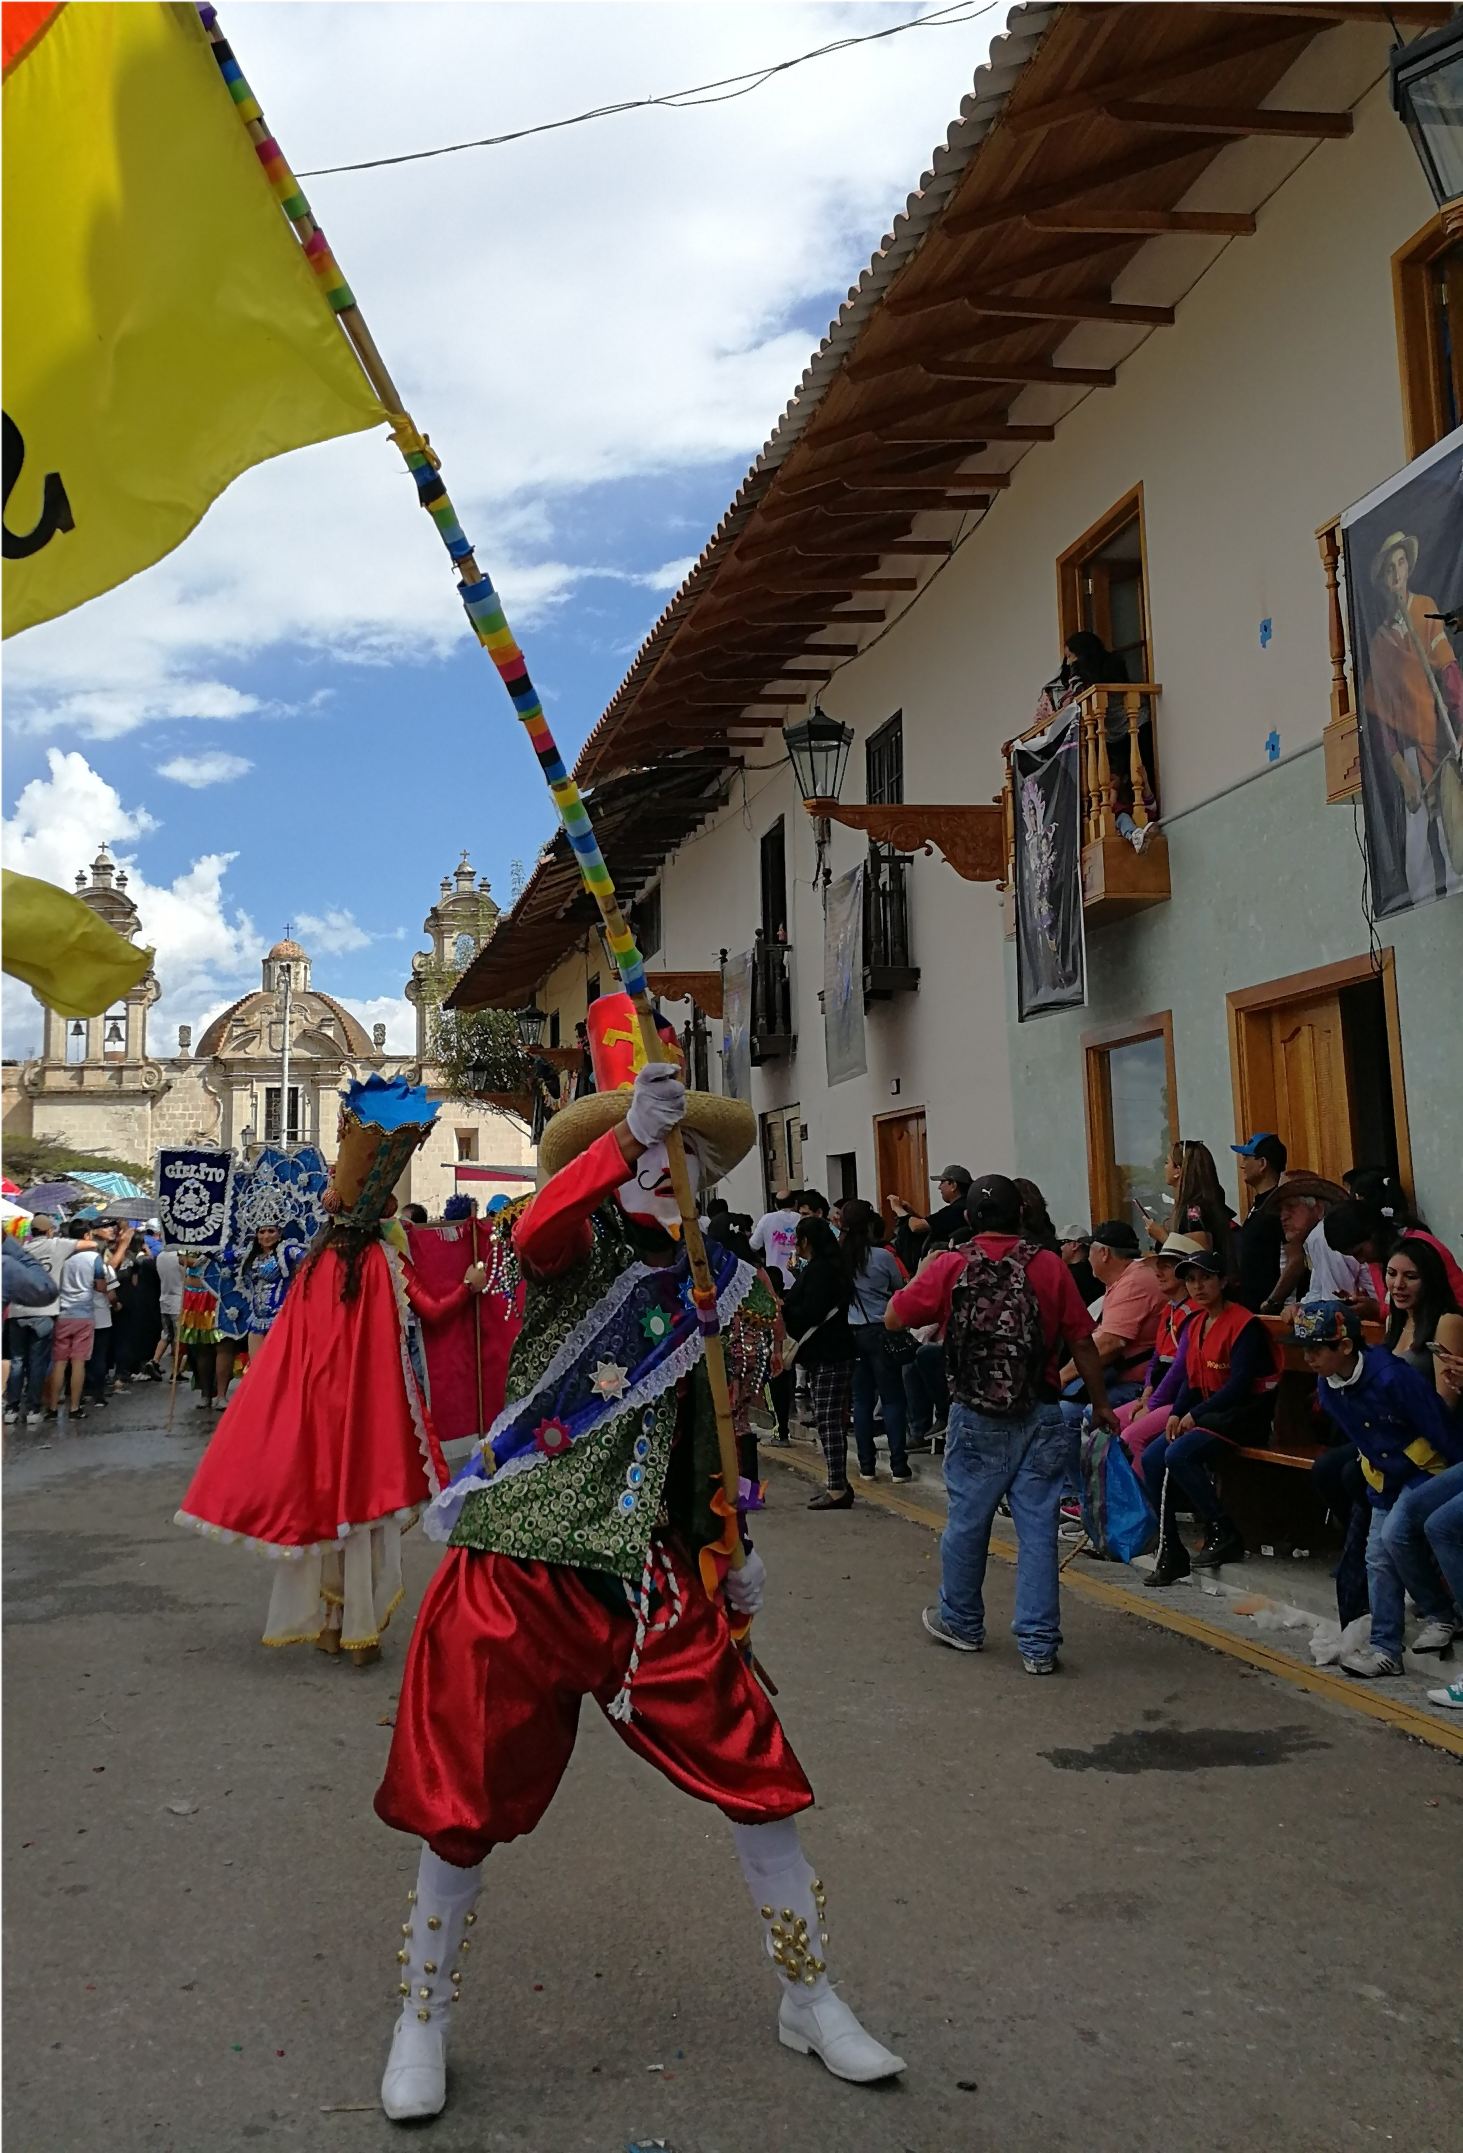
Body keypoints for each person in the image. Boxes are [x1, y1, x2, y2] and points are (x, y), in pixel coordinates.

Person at [372, 996, 904, 2122]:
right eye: (654, 1148)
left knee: (759, 1775)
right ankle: (421, 2013)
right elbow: (530, 1236)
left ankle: (807, 1995)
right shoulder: (577, 1251)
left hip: (650, 1581)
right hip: (515, 1561)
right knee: (460, 1804)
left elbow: (723, 1444)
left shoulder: (731, 1292)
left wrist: (733, 1546)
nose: (671, 1166)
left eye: (686, 1152)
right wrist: (616, 1139)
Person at [176, 1075, 488, 1662]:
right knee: (363, 1518)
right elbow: (434, 1309)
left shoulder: (314, 1267)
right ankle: (358, 1630)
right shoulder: (383, 1260)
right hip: (371, 1415)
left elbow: (292, 1347)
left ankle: (330, 1621)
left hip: (320, 1411)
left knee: (325, 1513)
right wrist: (470, 1287)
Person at [887, 1172, 1116, 1674]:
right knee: (1037, 1527)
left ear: (969, 1219)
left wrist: (926, 1271)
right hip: (1042, 1410)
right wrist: (1099, 1403)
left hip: (973, 1414)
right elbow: (1082, 1341)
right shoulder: (1051, 1266)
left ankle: (962, 1622)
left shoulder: (952, 1264)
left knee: (968, 1522)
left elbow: (893, 1317)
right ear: (1020, 1216)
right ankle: (1038, 1644)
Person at [1291, 1301, 1463, 1677]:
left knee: (1396, 1534)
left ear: (1346, 1347)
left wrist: (1454, 1478)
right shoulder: (1328, 1385)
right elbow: (1361, 1439)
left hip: (1427, 1469)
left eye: (1317, 1348)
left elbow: (1439, 1427)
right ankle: (1386, 1649)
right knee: (1376, 1556)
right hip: (1383, 1476)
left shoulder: (1391, 1377)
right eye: (1305, 1348)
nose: (1309, 1358)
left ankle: (1441, 1613)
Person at [1142, 1249, 1284, 1584]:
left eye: (1206, 1278)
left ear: (1223, 1280)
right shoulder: (1195, 1323)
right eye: (1190, 1279)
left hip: (1242, 1416)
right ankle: (1170, 1548)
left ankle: (1222, 1529)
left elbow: (1239, 1385)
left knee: (1179, 1454)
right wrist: (1177, 1413)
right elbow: (1192, 1380)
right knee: (1151, 1458)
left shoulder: (1243, 1324)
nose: (1197, 1286)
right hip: (1209, 1414)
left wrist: (1195, 1414)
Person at [1362, 529, 1463, 908]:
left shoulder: (1426, 609)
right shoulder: (1379, 644)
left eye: (1400, 564)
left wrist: (1460, 731)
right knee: (1418, 847)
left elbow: (1450, 678)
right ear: (1383, 581)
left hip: (1443, 741)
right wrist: (1404, 779)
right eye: (1388, 569)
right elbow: (1381, 723)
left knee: (1454, 834)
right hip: (1409, 752)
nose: (1395, 574)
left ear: (1408, 568)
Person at [1059, 1219, 1166, 1428]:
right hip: (1122, 1380)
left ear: (1104, 1254)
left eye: (1090, 1250)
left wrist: (1061, 1377)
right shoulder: (1129, 1278)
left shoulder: (1134, 1283)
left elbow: (1109, 1344)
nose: (1088, 1258)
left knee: (1064, 1414)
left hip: (1138, 1385)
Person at [782, 1216, 858, 1509]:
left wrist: (785, 1308)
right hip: (831, 1351)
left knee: (828, 1421)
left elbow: (811, 1312)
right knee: (829, 1420)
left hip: (830, 1353)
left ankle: (837, 1487)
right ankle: (837, 1482)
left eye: (798, 1239)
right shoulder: (829, 1268)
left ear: (807, 1241)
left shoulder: (819, 1272)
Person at [1111, 1233, 1203, 1473]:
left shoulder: (1195, 1314)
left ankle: (1143, 1506)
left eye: (1167, 1267)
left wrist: (1151, 1404)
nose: (1159, 1273)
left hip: (1181, 1397)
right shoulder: (1170, 1310)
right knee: (1107, 1424)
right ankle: (1113, 1501)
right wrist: (1146, 1394)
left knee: (1133, 1436)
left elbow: (1180, 1367)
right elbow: (1157, 1356)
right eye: (1158, 1267)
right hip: (1160, 1394)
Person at [839, 1199, 912, 1484]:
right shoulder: (882, 1257)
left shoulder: (839, 1258)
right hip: (881, 1331)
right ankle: (898, 1466)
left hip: (851, 1332)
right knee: (892, 1398)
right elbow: (900, 1288)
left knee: (861, 1401)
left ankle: (866, 1465)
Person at [3, 1211, 65, 1426]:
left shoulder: (19, 1250)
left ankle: (11, 1408)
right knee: (38, 1363)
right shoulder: (57, 1246)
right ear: (49, 1231)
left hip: (17, 1313)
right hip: (43, 1312)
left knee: (17, 1361)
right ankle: (32, 1408)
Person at [42, 1226, 106, 1423]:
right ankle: (75, 1408)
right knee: (79, 1362)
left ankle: (52, 1408)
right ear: (86, 1237)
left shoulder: (64, 1258)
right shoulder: (94, 1258)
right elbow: (101, 1286)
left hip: (63, 1314)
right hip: (84, 1315)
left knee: (59, 1362)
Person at [1259, 1175, 1349, 1311]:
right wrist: (1299, 1307)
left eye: (1291, 1207)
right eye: (1281, 1210)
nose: (1283, 1216)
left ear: (1318, 1209)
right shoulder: (1315, 1239)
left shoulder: (1322, 1235)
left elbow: (1335, 1303)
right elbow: (1318, 1294)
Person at [1143, 1140, 1235, 1263]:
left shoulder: (1193, 1209)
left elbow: (1198, 1255)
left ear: (1178, 1170)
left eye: (1167, 1162)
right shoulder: (1204, 1202)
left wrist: (1161, 1235)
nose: (1164, 1167)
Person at [1384, 1235, 1459, 1375]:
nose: (1398, 1284)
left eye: (1411, 1277)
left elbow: (1446, 1395)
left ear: (1430, 1280)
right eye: (1391, 1273)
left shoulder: (1448, 1322)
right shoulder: (1393, 1320)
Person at [1231, 1133, 1288, 1310]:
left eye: (1247, 1158)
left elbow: (1294, 1260)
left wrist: (1272, 1301)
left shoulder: (1281, 1207)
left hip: (1272, 1312)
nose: (1242, 1165)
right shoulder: (1258, 1205)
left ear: (1262, 1163)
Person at [890, 1164, 972, 1269]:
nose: (939, 1187)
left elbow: (916, 1227)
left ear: (953, 1185)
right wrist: (911, 1213)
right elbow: (931, 1224)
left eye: (942, 1182)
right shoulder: (965, 1205)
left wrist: (897, 1209)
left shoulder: (956, 1210)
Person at [113, 1236, 162, 1382]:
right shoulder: (142, 1261)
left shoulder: (123, 1258)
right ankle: (129, 1368)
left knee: (123, 1338)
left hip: (121, 1302)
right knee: (134, 1338)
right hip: (138, 1303)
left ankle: (124, 1369)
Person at [750, 1192, 800, 1289]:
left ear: (775, 1205)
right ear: (795, 1203)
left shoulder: (767, 1219)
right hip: (798, 1280)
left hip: (775, 1280)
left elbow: (753, 1245)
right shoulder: (801, 1219)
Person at [152, 1240, 183, 1381]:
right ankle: (175, 1372)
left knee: (166, 1334)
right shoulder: (179, 1257)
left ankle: (155, 1361)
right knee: (178, 1338)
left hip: (164, 1298)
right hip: (178, 1299)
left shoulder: (160, 1256)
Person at [1057, 1223, 1100, 1309]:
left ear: (1074, 1245)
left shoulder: (1069, 1276)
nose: (1058, 1248)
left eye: (1061, 1243)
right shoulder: (1097, 1270)